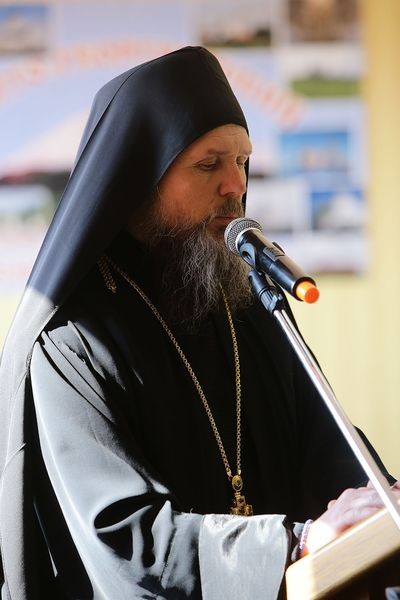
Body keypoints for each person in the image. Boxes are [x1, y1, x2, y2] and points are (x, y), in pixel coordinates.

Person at [0, 46, 397, 600]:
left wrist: (380, 507)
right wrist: (294, 543)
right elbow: (125, 537)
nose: (236, 185)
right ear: (138, 180)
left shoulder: (249, 305)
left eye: (242, 161)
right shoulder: (72, 340)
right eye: (209, 164)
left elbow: (331, 454)